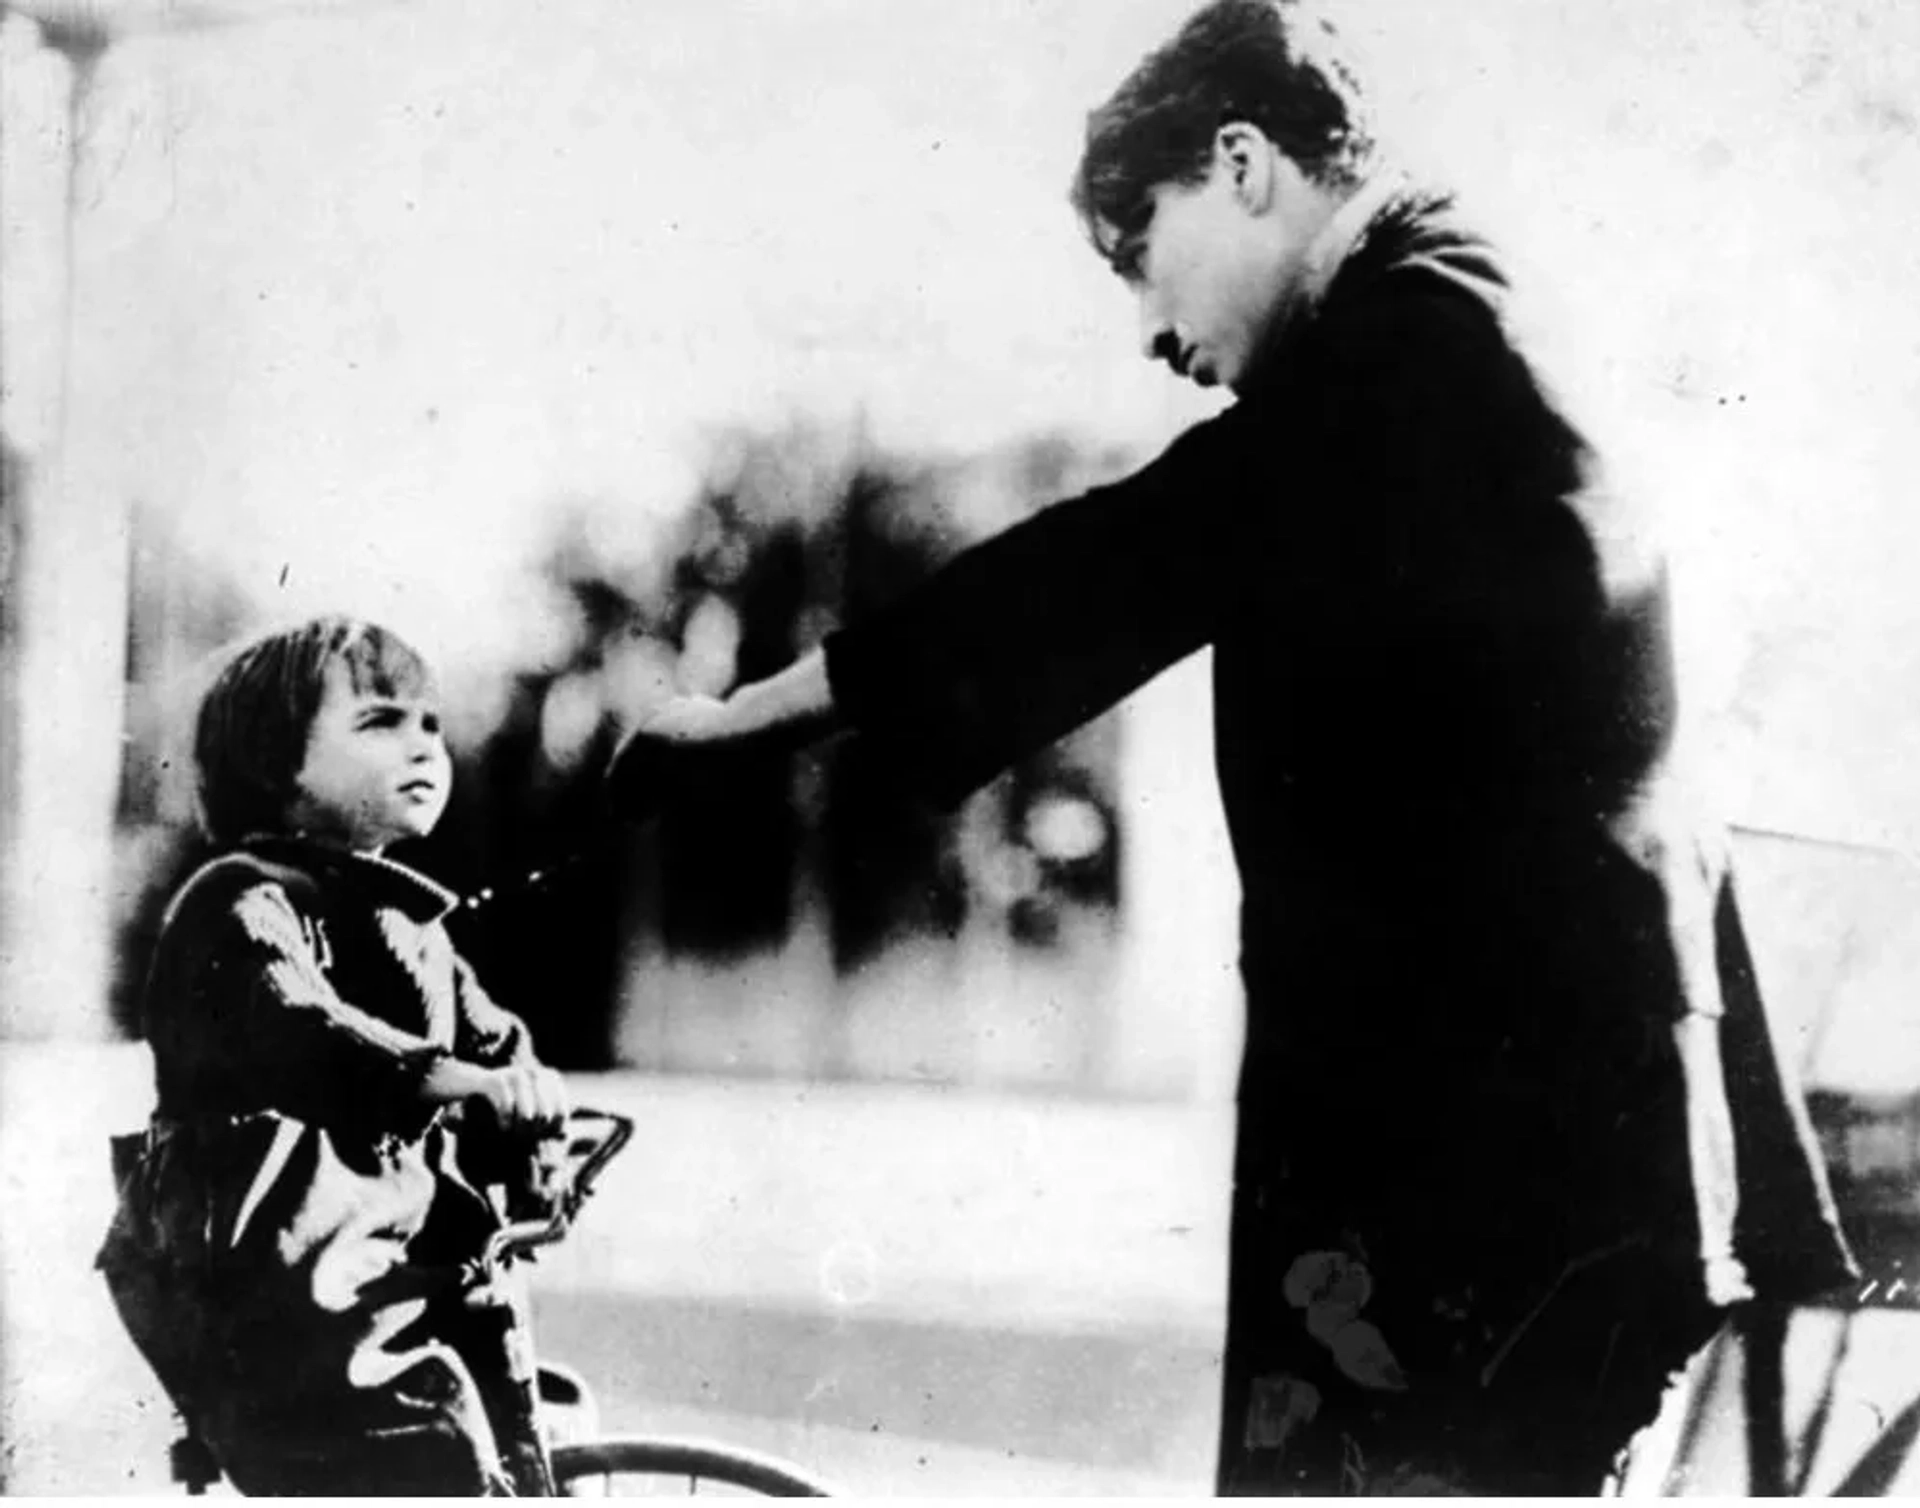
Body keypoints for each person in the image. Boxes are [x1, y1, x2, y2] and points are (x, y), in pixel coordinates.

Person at [608, 0, 1855, 1493]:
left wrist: (752, 716)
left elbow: (1131, 555)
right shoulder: (1450, 326)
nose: (1147, 329)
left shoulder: (1413, 354)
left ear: (1244, 162)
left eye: (1139, 250)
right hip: (1537, 1165)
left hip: (1498, 1191)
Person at [97, 615, 569, 1496]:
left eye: (430, 725)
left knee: (521, 1416)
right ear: (278, 765)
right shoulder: (236, 901)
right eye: (382, 723)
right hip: (269, 1267)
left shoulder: (412, 926)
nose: (424, 746)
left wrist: (533, 1116)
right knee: (419, 1450)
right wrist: (445, 1078)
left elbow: (493, 1040)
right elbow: (298, 1028)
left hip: (381, 1249)